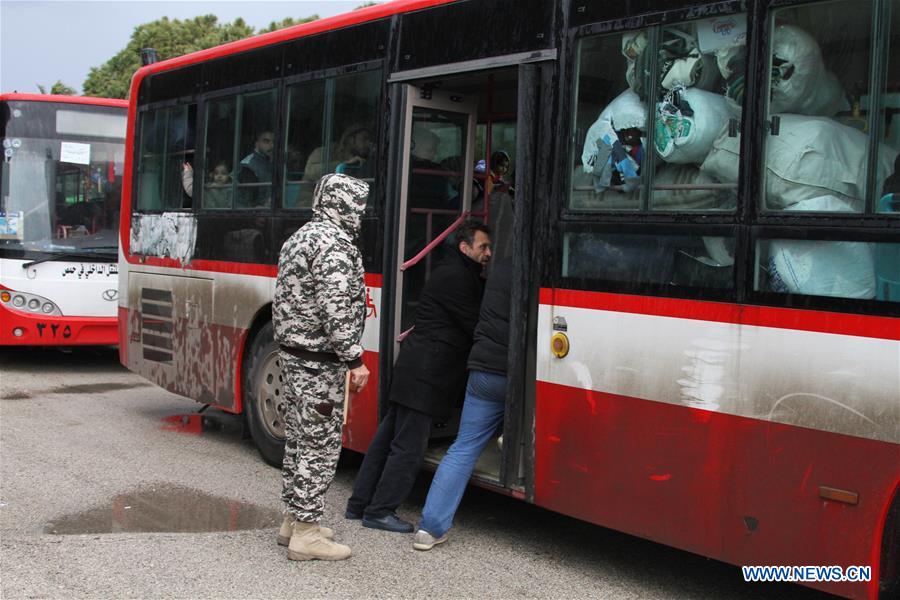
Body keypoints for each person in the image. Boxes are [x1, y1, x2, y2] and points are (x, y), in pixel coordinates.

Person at [345, 220, 493, 533]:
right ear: (465, 247)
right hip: (428, 373)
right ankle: (380, 511)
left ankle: (359, 505)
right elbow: (475, 323)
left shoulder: (449, 271)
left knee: (385, 440)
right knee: (408, 448)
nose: (488, 253)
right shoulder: (458, 277)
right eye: (483, 247)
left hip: (414, 366)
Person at [272, 173, 371, 561]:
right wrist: (354, 358)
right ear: (346, 205)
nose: (360, 214)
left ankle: (293, 519)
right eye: (358, 206)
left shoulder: (301, 236)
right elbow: (335, 309)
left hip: (295, 355)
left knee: (298, 439)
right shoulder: (334, 246)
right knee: (319, 445)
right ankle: (307, 534)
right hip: (319, 364)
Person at [412, 260, 512, 550]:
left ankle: (429, 529)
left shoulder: (495, 271)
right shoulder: (535, 269)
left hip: (482, 369)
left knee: (464, 446)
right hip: (515, 373)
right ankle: (511, 435)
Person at [238, 130, 275, 206]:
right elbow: (246, 201)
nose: (272, 146)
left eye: (273, 142)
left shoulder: (272, 161)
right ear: (257, 144)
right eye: (266, 141)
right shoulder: (248, 166)